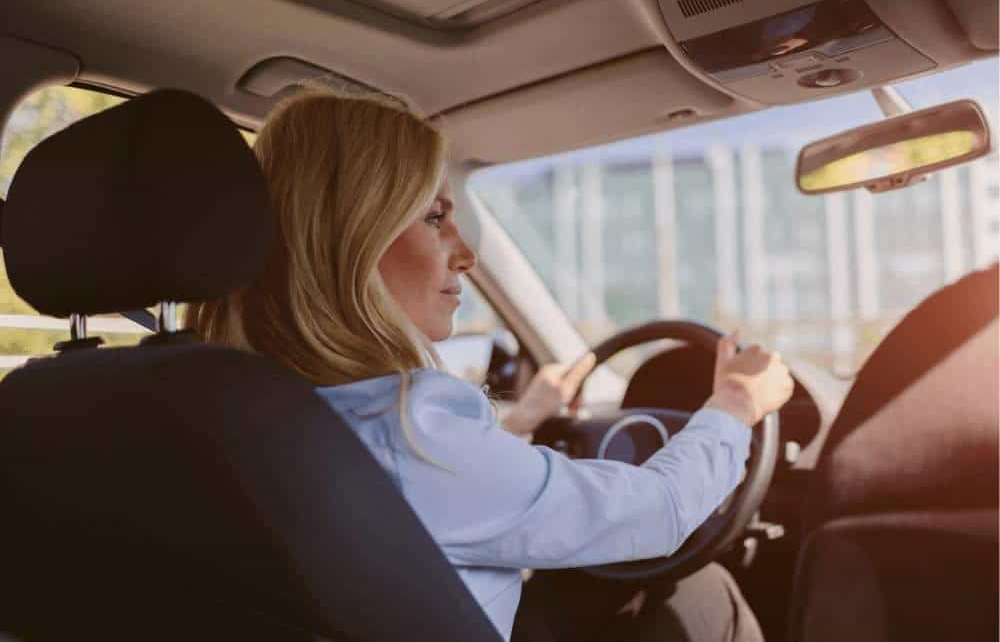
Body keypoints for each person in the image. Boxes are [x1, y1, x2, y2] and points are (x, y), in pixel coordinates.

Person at [186, 89, 794, 642]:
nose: (467, 254)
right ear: (354, 237)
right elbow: (661, 512)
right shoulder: (408, 432)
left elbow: (436, 485)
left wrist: (523, 420)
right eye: (434, 217)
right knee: (700, 593)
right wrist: (737, 403)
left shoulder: (218, 400)